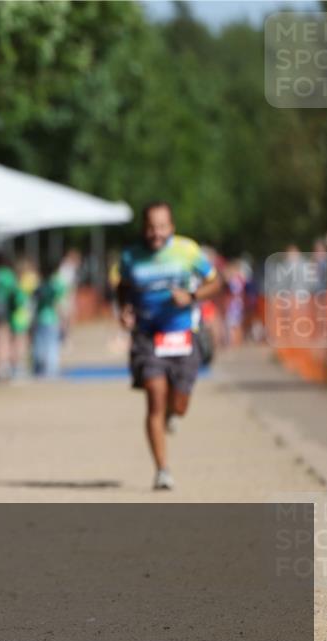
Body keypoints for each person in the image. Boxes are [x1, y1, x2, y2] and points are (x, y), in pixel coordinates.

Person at [116, 201, 222, 491]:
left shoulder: (188, 251)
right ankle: (162, 470)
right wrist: (124, 308)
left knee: (179, 404)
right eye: (150, 227)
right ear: (143, 228)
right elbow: (123, 287)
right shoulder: (130, 256)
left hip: (183, 335)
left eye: (162, 226)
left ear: (171, 227)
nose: (156, 233)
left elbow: (216, 282)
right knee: (155, 397)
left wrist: (191, 295)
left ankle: (174, 414)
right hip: (147, 337)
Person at [31, 259, 67, 378]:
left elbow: (33, 305)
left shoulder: (38, 287)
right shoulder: (55, 287)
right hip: (52, 319)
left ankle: (39, 368)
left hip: (40, 319)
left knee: (39, 344)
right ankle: (51, 369)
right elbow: (59, 304)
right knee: (52, 345)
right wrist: (63, 320)